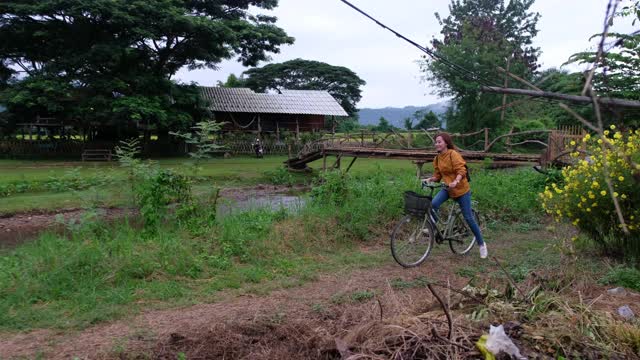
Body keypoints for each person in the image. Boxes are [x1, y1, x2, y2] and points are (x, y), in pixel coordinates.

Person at [424, 132, 488, 259]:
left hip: (461, 190)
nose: (437, 144)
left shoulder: (453, 155)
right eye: (436, 142)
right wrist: (429, 179)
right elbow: (438, 176)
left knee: (468, 218)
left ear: (446, 143)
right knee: (434, 204)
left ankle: (481, 244)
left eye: (439, 142)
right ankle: (434, 228)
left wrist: (456, 181)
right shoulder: (437, 158)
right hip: (447, 188)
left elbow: (462, 170)